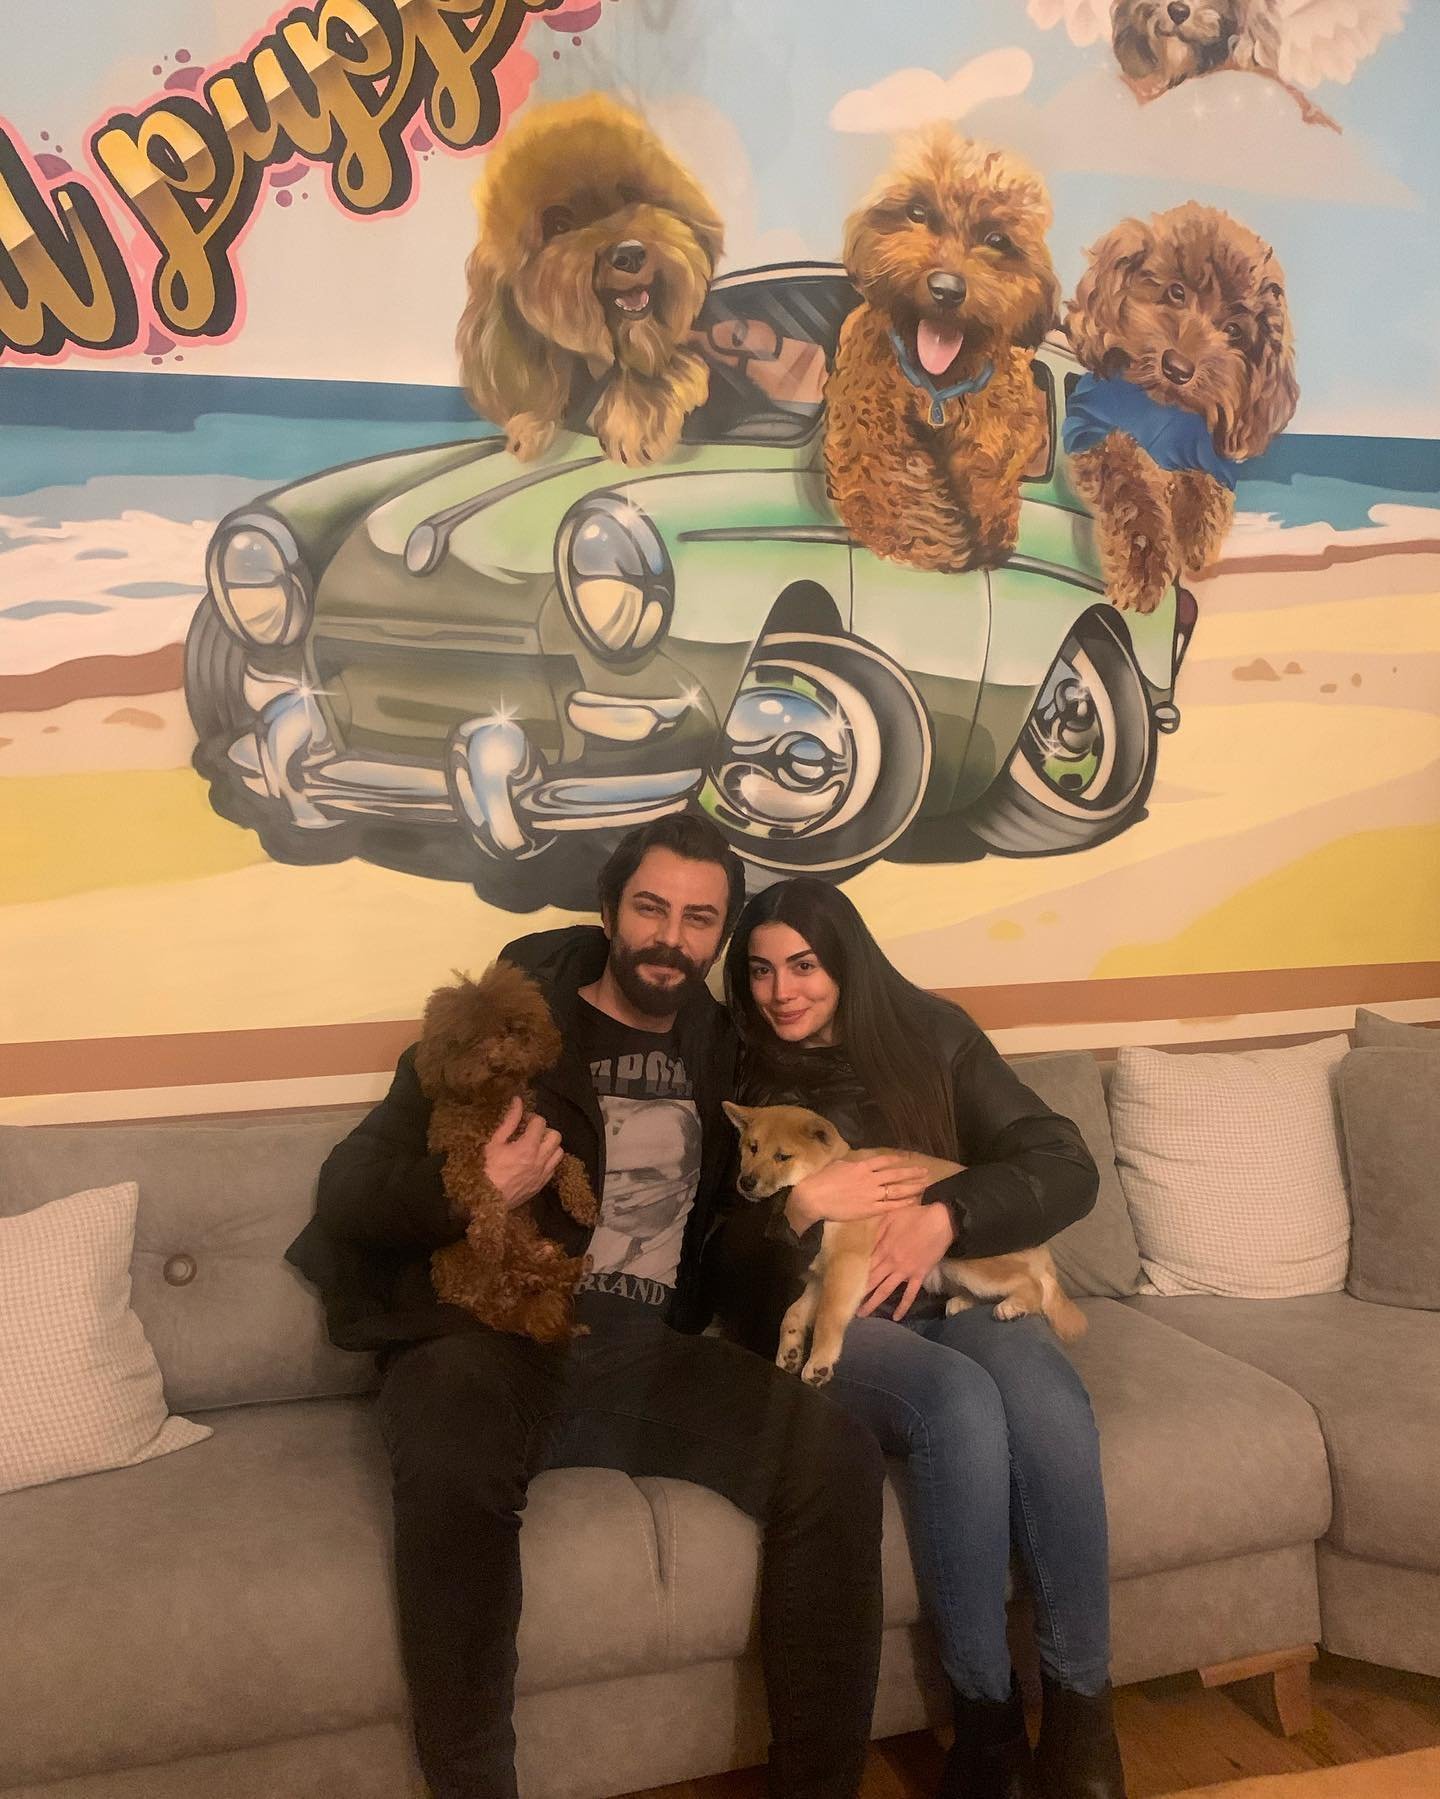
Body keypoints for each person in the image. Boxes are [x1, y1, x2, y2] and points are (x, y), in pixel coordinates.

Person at [285, 817, 888, 1799]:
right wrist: (470, 1186)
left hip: (643, 1350)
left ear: (720, 935)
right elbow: (347, 1188)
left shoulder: (719, 1048)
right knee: (452, 1445)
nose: (671, 937)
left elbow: (750, 1206)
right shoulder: (504, 1025)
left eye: (700, 919)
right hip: (491, 1335)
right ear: (610, 910)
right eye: (651, 907)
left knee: (837, 1456)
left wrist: (812, 1217)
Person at [710, 877, 1127, 1799]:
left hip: (957, 1292)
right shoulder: (730, 1064)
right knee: (957, 1404)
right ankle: (985, 1724)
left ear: (848, 962)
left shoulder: (934, 1034)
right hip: (839, 1314)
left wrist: (949, 1214)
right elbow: (709, 1255)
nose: (781, 991)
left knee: (1048, 1399)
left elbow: (1062, 1161)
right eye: (761, 971)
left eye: (804, 965)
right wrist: (797, 1210)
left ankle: (1083, 1714)